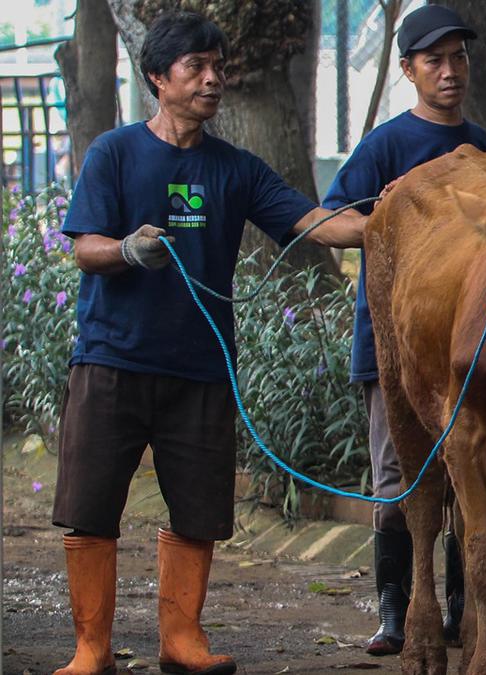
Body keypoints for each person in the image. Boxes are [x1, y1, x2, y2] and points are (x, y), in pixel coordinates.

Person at [50, 11, 368, 675]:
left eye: (218, 67)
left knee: (198, 510)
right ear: (157, 78)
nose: (212, 79)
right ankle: (91, 649)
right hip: (111, 361)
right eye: (195, 67)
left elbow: (317, 223)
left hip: (201, 368)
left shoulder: (236, 169)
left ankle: (182, 640)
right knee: (90, 509)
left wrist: (393, 216)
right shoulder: (114, 153)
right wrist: (127, 250)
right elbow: (83, 247)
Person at [320, 4, 486, 655]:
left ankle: (470, 608)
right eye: (435, 60)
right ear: (408, 70)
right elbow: (329, 220)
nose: (450, 70)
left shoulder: (482, 146)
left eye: (459, 57)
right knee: (399, 477)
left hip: (469, 347)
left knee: (475, 476)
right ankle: (396, 607)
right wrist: (391, 224)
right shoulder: (386, 146)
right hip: (399, 344)